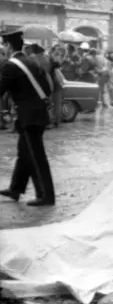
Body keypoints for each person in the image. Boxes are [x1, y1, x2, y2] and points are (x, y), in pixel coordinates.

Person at [0, 30, 55, 206]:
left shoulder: (10, 65)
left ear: (8, 46)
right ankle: (16, 189)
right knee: (25, 153)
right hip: (36, 115)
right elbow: (47, 89)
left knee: (37, 157)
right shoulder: (31, 62)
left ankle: (46, 196)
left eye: (4, 45)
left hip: (29, 117)